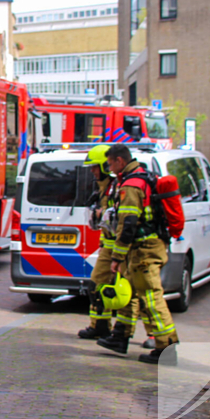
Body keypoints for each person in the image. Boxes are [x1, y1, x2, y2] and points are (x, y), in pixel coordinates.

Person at [96, 144, 179, 365]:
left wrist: (116, 257)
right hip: (142, 249)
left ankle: (166, 347)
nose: (109, 168)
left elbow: (128, 223)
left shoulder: (131, 185)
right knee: (134, 295)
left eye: (111, 163)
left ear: (120, 161)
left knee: (151, 298)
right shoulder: (141, 177)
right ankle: (123, 336)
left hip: (144, 250)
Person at [78, 145, 116, 340]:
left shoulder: (116, 188)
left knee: (135, 293)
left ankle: (125, 332)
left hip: (121, 249)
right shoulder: (104, 188)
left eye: (95, 167)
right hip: (110, 247)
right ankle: (101, 326)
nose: (92, 171)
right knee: (97, 284)